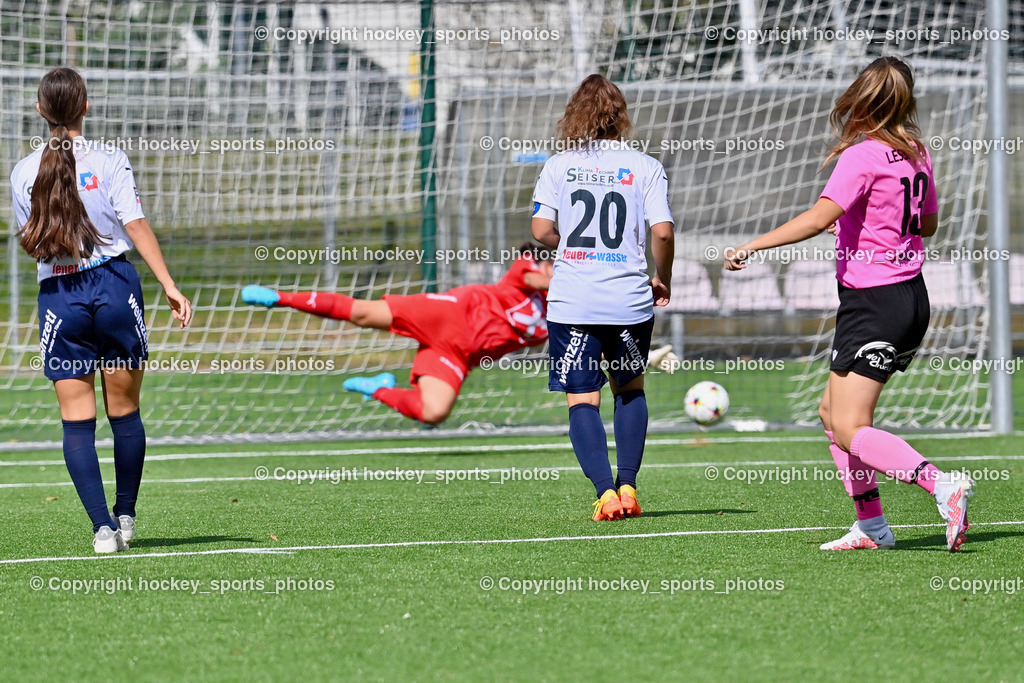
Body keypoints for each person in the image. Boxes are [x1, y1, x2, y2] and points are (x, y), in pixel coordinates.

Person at [724, 57, 973, 552]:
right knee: (829, 414)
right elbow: (926, 226)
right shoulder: (917, 153)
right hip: (908, 298)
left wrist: (753, 246)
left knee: (850, 426)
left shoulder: (862, 156)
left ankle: (942, 485)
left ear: (863, 100)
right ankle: (873, 527)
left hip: (875, 302)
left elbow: (818, 218)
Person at [12, 67, 192, 554]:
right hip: (114, 288)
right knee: (125, 412)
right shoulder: (110, 158)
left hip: (60, 297)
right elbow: (135, 225)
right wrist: (170, 286)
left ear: (40, 112)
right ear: (85, 107)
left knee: (77, 421)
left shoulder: (22, 172)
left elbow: (36, 245)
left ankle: (102, 529)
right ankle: (127, 514)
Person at [531, 74, 674, 521]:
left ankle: (604, 494)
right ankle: (628, 486)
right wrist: (661, 276)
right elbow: (663, 232)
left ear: (575, 113)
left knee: (582, 398)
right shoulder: (645, 166)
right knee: (629, 392)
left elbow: (539, 231)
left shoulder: (558, 165)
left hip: (574, 300)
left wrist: (572, 246)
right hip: (629, 300)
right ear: (621, 117)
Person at [242, 245, 553, 424]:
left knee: (435, 412)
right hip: (450, 314)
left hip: (458, 354)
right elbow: (534, 277)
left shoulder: (562, 309)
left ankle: (378, 388)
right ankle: (278, 298)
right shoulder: (528, 269)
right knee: (363, 313)